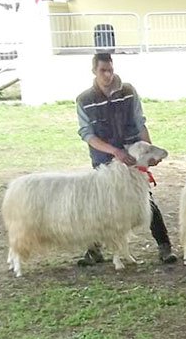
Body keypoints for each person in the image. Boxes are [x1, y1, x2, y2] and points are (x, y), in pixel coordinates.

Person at [76, 52, 178, 265]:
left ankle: (164, 246)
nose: (108, 74)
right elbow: (88, 135)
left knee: (145, 198)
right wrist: (114, 151)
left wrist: (149, 153)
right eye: (103, 70)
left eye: (110, 70)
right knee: (101, 204)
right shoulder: (85, 100)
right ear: (94, 71)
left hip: (134, 157)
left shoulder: (128, 92)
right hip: (105, 159)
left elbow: (140, 122)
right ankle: (94, 249)